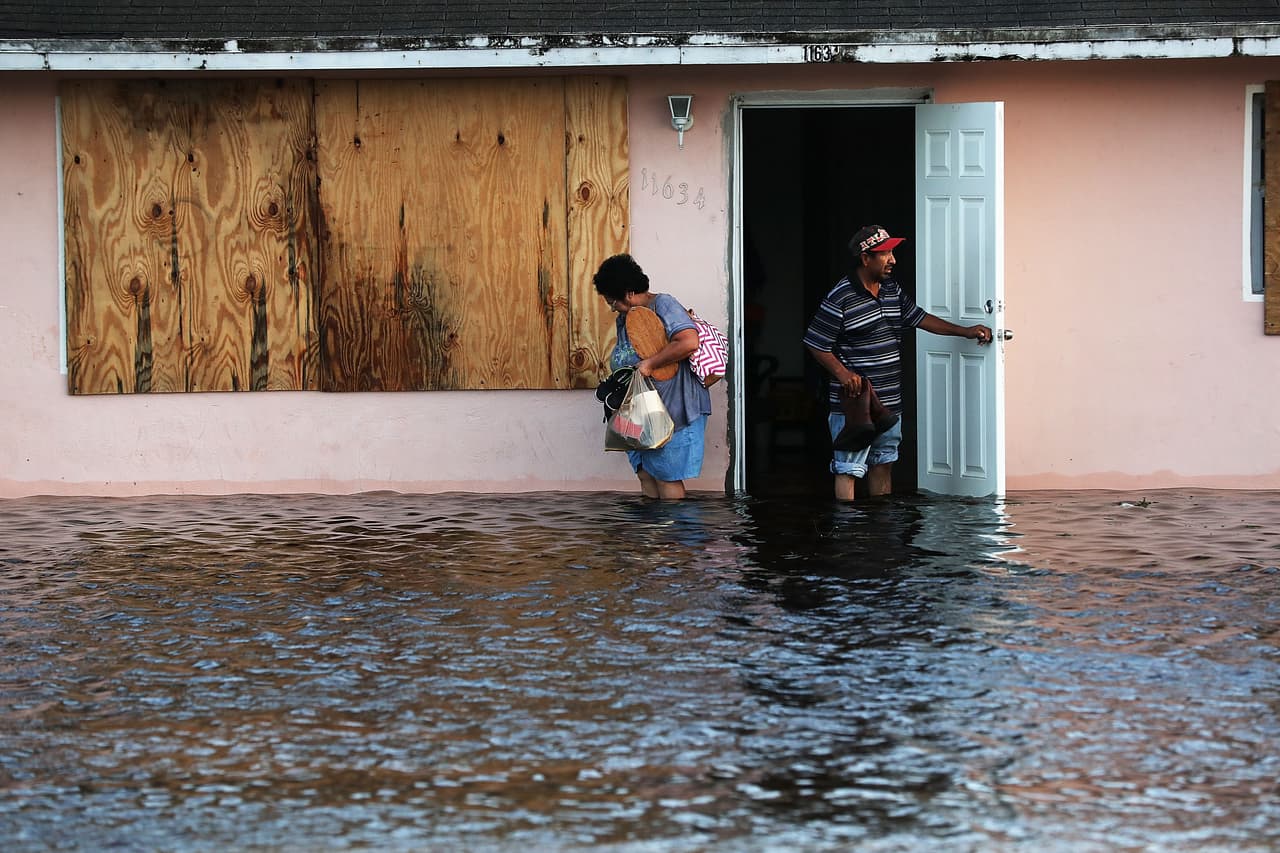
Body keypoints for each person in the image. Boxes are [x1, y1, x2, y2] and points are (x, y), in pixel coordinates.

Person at [803, 225, 993, 502]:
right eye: (884, 253)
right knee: (849, 468)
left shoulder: (891, 289)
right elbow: (815, 342)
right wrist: (843, 374)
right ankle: (848, 536)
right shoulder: (841, 296)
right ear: (865, 258)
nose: (893, 259)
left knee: (884, 462)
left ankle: (881, 533)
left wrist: (964, 331)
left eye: (892, 252)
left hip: (889, 402)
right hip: (855, 403)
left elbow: (919, 317)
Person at [594, 253, 712, 500]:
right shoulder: (625, 318)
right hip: (640, 411)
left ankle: (675, 535)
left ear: (628, 293)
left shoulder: (664, 305)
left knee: (665, 475)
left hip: (672, 408)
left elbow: (688, 342)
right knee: (646, 473)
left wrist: (649, 364)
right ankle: (653, 536)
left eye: (612, 301)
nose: (612, 307)